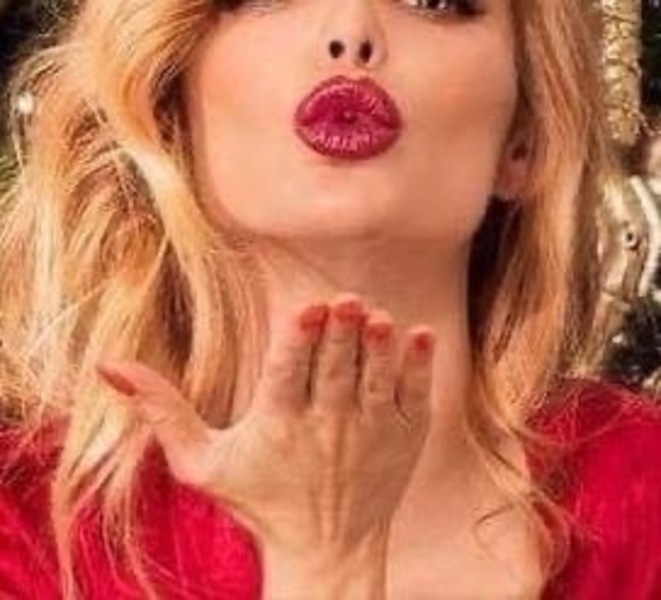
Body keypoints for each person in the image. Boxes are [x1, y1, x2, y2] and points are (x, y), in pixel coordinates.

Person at [1, 0, 660, 598]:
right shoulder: (25, 534)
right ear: (171, 106)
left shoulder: (643, 498)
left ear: (524, 138)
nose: (350, 31)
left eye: (430, 0)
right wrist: (322, 566)